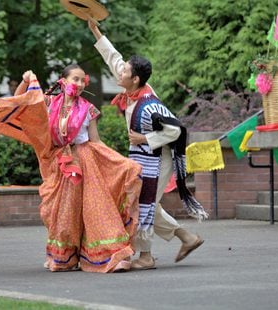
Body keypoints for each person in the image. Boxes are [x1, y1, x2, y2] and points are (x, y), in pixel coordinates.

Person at [0, 65, 142, 273]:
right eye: (75, 79)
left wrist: (120, 162)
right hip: (57, 164)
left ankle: (110, 254)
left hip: (85, 162)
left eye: (82, 81)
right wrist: (26, 82)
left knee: (96, 208)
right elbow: (20, 103)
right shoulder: (48, 102)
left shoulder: (88, 109)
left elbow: (96, 142)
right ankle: (64, 257)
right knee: (62, 212)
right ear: (63, 80)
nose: (79, 84)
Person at [88, 21, 208, 270]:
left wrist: (145, 139)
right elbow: (115, 59)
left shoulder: (149, 102)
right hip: (143, 156)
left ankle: (146, 257)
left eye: (124, 72)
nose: (119, 73)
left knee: (145, 204)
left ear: (136, 79)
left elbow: (175, 130)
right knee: (146, 203)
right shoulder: (132, 88)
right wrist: (97, 33)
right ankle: (187, 237)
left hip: (157, 158)